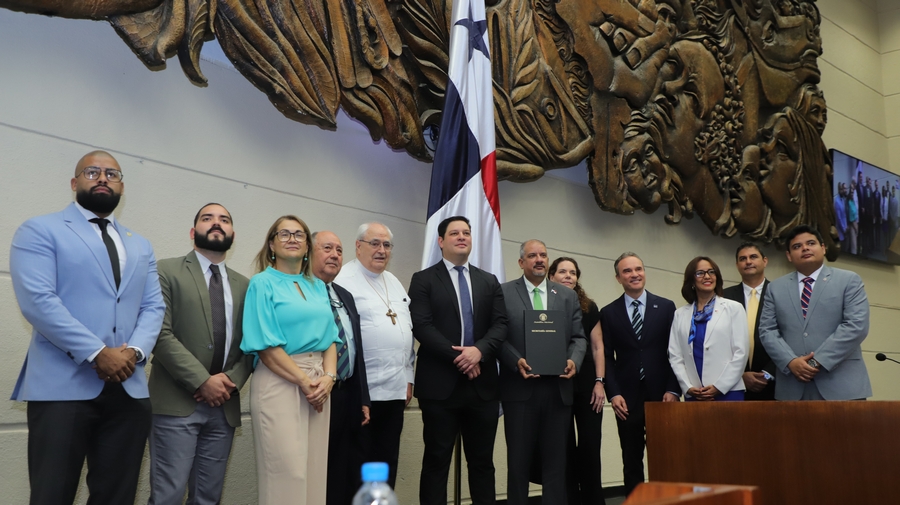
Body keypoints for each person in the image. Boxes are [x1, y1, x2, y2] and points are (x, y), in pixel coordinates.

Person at [9, 150, 166, 504]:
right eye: (92, 171)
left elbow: (154, 305)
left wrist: (133, 352)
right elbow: (39, 300)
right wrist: (97, 352)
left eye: (112, 174)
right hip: (62, 389)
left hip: (128, 389)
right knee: (53, 495)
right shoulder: (40, 229)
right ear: (74, 182)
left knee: (117, 496)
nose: (102, 178)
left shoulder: (140, 245)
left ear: (122, 186)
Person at [148, 203, 252, 504]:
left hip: (224, 407)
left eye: (225, 220)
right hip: (175, 403)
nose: (217, 223)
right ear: (194, 232)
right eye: (208, 218)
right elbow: (160, 333)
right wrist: (201, 381)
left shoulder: (245, 286)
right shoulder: (165, 270)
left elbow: (251, 345)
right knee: (167, 494)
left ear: (232, 234)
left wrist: (229, 382)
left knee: (208, 497)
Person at [241, 216, 341, 505]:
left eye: (299, 234)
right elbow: (266, 347)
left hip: (320, 383)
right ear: (271, 244)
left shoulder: (317, 286)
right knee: (288, 474)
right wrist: (305, 382)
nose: (292, 238)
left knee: (314, 471)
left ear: (308, 246)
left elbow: (331, 340)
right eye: (283, 234)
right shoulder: (262, 283)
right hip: (280, 381)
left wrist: (329, 378)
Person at [408, 216, 508, 505]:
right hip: (440, 387)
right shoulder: (423, 279)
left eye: (466, 232)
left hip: (483, 387)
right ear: (441, 241)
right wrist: (462, 356)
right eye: (454, 233)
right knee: (437, 462)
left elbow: (501, 324)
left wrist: (479, 351)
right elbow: (422, 326)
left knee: (482, 464)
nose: (462, 237)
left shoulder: (488, 281)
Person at [499, 240, 586, 505]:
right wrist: (516, 361)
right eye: (532, 255)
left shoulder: (567, 296)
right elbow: (496, 337)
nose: (539, 259)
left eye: (543, 255)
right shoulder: (503, 293)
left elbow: (579, 338)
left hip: (557, 390)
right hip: (520, 390)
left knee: (556, 463)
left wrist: (573, 361)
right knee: (518, 463)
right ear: (521, 262)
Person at [335, 222, 415, 488]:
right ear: (358, 246)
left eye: (386, 245)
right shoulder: (342, 280)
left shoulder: (394, 282)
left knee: (387, 462)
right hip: (360, 391)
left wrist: (408, 376)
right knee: (358, 464)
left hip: (394, 391)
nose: (381, 250)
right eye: (375, 243)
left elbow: (406, 332)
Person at [759, 225, 872, 400]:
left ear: (823, 248)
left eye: (811, 243)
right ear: (789, 256)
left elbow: (856, 326)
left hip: (842, 386)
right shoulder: (775, 288)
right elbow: (767, 331)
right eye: (797, 246)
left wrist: (815, 361)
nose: (805, 248)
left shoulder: (849, 280)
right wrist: (791, 362)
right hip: (792, 386)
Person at [600, 252, 678, 496]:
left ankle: (667, 501)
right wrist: (613, 394)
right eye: (627, 271)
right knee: (631, 459)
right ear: (618, 278)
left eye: (638, 269)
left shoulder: (666, 307)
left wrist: (673, 389)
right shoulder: (608, 312)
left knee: (665, 457)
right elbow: (607, 358)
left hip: (662, 396)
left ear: (644, 272)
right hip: (627, 398)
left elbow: (676, 353)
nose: (634, 274)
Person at [310, 231, 372, 505]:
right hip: (317, 393)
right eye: (327, 248)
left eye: (339, 250)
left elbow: (355, 348)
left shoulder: (344, 295)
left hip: (348, 394)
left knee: (346, 469)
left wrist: (363, 398)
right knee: (318, 468)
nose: (335, 254)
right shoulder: (300, 292)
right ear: (309, 253)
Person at [548, 257, 607, 505]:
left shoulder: (588, 307)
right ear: (551, 276)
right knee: (563, 450)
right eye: (563, 271)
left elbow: (598, 347)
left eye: (573, 272)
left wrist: (600, 382)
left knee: (591, 447)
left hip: (587, 386)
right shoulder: (543, 305)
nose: (569, 276)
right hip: (556, 386)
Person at [668, 257, 748, 401]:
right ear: (691, 280)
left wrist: (719, 386)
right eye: (700, 273)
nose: (707, 276)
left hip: (728, 391)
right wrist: (687, 386)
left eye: (711, 272)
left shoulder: (733, 308)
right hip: (695, 393)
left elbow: (740, 353)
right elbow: (675, 355)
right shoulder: (680, 314)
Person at [722, 243, 775, 400]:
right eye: (742, 259)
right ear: (737, 265)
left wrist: (767, 374)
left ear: (765, 261)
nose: (748, 262)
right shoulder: (723, 297)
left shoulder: (780, 293)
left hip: (774, 384)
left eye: (753, 257)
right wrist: (740, 375)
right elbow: (719, 341)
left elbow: (789, 336)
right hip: (733, 385)